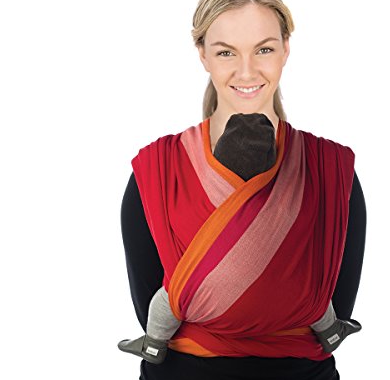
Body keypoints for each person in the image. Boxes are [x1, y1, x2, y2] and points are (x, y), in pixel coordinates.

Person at [119, 0, 366, 380]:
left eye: (264, 49)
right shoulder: (156, 173)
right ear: (202, 54)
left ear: (287, 49)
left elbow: (334, 308)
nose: (247, 70)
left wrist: (212, 307)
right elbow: (147, 310)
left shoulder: (331, 172)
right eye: (226, 52)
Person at [117, 112, 362, 364]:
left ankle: (154, 345)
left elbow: (143, 291)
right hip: (299, 319)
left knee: (169, 301)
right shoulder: (311, 184)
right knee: (314, 298)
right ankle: (331, 333)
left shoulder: (163, 171)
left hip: (188, 356)